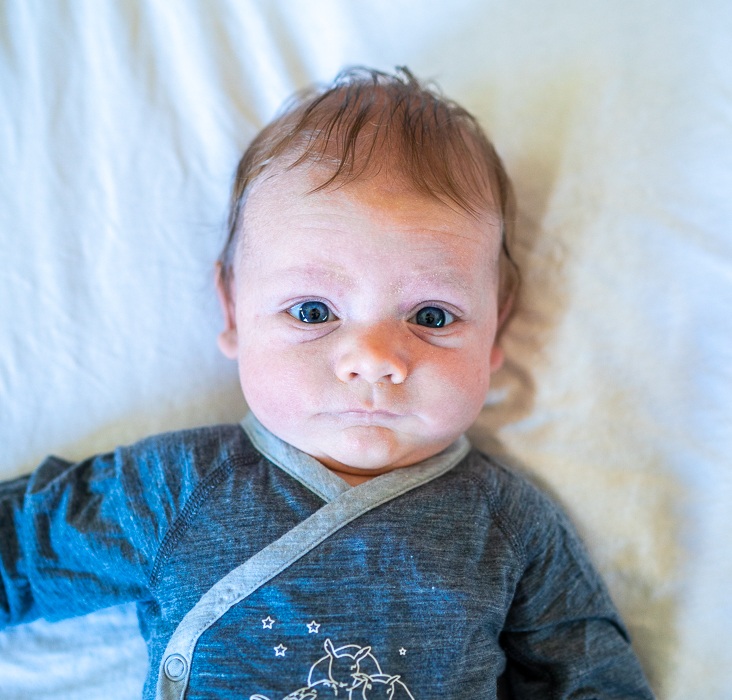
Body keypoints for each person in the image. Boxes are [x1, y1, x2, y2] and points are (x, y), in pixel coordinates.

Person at [0, 67, 653, 699]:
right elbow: (22, 548)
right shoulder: (172, 491)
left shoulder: (511, 524)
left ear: (493, 333)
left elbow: (590, 676)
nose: (372, 359)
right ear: (233, 313)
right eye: (313, 312)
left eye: (432, 317)